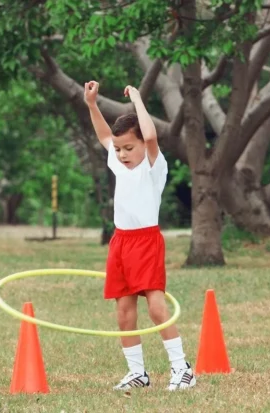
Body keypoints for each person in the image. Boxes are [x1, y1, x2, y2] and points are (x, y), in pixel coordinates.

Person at [84, 81, 196, 391]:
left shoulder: (152, 165)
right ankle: (138, 372)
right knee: (123, 311)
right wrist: (92, 104)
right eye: (119, 150)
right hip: (120, 242)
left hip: (146, 242)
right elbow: (106, 135)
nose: (121, 154)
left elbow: (149, 135)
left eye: (128, 148)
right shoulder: (119, 164)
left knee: (157, 307)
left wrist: (136, 99)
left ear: (142, 148)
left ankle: (182, 368)